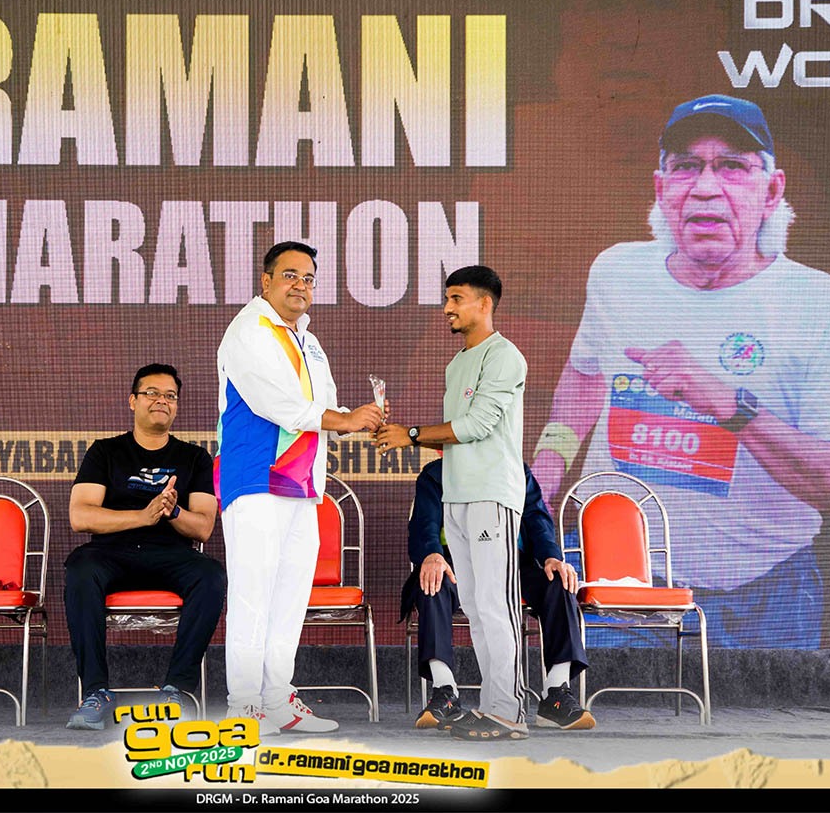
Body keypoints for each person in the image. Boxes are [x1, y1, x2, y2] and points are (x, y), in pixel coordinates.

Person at [531, 94, 830, 648]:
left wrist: (729, 406)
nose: (705, 187)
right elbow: (585, 376)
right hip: (616, 576)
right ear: (661, 189)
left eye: (733, 167)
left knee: (767, 713)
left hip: (764, 596)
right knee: (602, 707)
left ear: (772, 191)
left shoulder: (819, 304)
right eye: (686, 167)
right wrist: (547, 468)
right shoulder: (617, 273)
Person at [216, 241, 384, 735]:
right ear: (266, 280)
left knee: (289, 599)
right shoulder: (250, 330)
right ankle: (244, 706)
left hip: (302, 484)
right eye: (290, 275)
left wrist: (360, 420)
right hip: (255, 478)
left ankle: (276, 700)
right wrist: (345, 420)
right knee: (253, 595)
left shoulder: (308, 340)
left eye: (308, 278)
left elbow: (324, 408)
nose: (300, 285)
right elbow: (280, 405)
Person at [376, 264, 529, 741]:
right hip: (456, 497)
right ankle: (494, 707)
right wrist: (404, 435)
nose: (447, 308)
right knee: (478, 609)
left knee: (497, 605)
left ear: (485, 303)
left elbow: (478, 426)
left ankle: (509, 711)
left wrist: (411, 434)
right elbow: (457, 436)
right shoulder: (457, 363)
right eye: (446, 298)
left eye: (456, 298)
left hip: (492, 495)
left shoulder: (505, 356)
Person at [65, 363, 225, 731]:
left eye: (170, 396)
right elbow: (80, 515)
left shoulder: (195, 458)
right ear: (133, 401)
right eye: (152, 393)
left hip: (170, 554)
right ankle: (95, 693)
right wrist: (143, 515)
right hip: (111, 553)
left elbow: (203, 527)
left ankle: (176, 691)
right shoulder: (105, 452)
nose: (161, 401)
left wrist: (172, 511)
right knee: (80, 569)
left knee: (211, 576)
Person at [401, 459, 594, 732]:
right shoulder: (435, 474)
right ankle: (445, 691)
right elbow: (425, 523)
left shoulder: (514, 469)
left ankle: (556, 693)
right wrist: (431, 554)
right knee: (431, 583)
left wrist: (551, 557)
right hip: (454, 561)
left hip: (514, 561)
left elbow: (536, 518)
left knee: (558, 582)